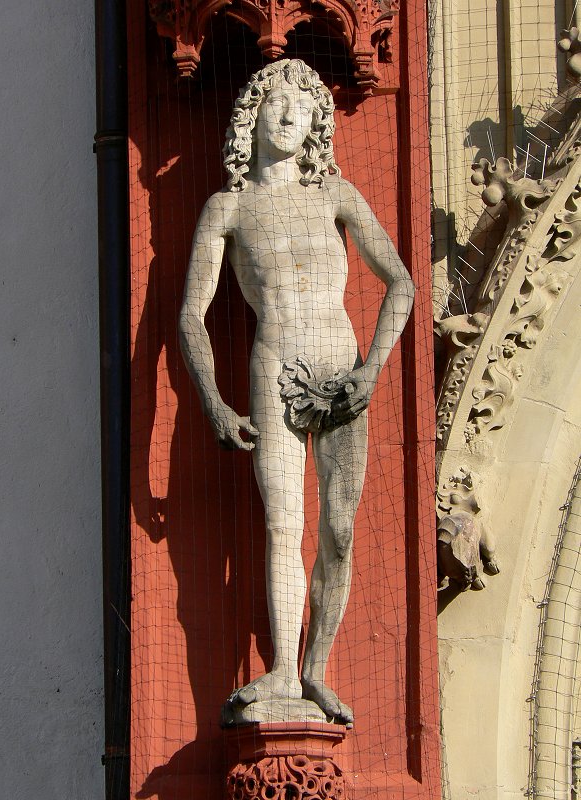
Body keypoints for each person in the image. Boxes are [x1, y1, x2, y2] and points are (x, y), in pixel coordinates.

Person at [178, 58, 414, 726]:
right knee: (285, 522)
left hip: (344, 376)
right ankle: (283, 668)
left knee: (338, 529)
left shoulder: (334, 194)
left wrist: (372, 366)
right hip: (273, 366)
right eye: (277, 104)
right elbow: (191, 314)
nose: (288, 116)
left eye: (302, 108)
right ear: (252, 116)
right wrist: (214, 400)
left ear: (316, 123)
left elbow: (400, 281)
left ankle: (317, 666)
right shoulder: (228, 206)